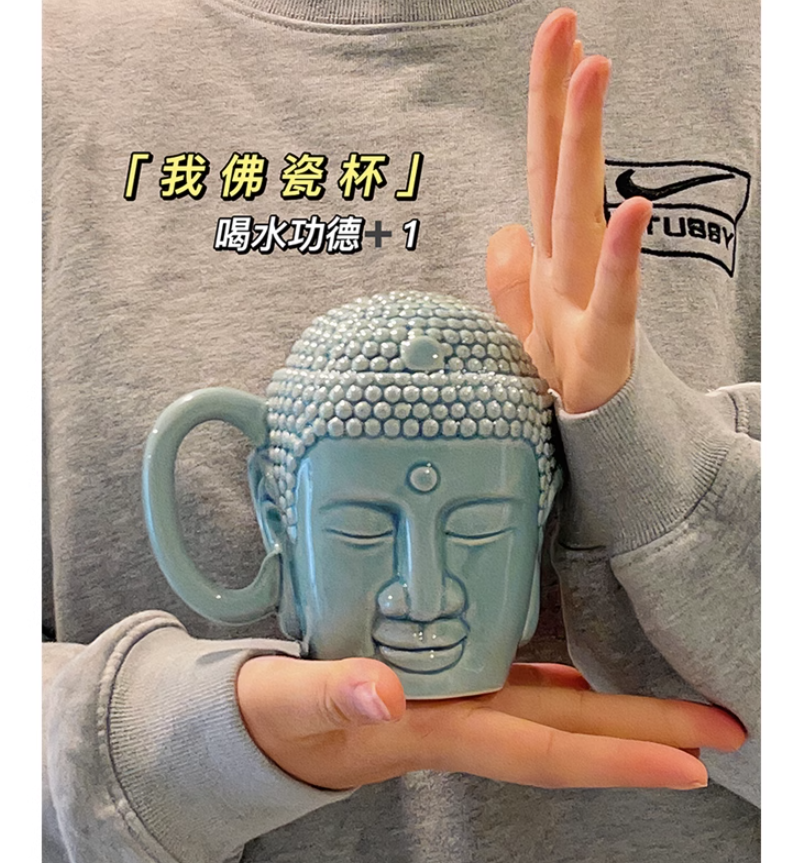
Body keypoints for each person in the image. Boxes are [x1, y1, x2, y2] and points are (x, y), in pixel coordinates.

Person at [42, 2, 759, 862]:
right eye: (354, 528)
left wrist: (660, 480)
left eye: (483, 527)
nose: (422, 595)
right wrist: (144, 743)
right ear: (278, 515)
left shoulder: (754, 59)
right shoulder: (48, 75)